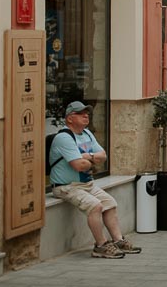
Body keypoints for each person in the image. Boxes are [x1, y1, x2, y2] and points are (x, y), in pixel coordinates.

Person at [48, 101, 141, 259]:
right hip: (66, 186)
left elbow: (103, 156)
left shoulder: (87, 133)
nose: (86, 116)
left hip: (86, 185)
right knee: (95, 206)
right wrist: (91, 161)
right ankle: (100, 245)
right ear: (70, 118)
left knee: (110, 203)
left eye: (87, 113)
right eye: (80, 113)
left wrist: (87, 157)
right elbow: (78, 165)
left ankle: (118, 240)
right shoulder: (64, 137)